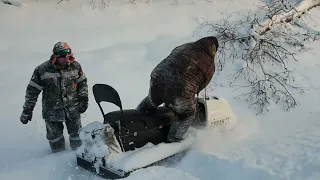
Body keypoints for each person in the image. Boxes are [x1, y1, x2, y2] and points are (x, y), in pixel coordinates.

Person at [136, 36, 219, 143]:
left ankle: (135, 119)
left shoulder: (185, 46)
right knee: (188, 114)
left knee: (151, 101)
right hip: (180, 90)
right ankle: (174, 138)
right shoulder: (210, 64)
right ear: (214, 49)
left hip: (157, 78)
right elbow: (202, 85)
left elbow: (171, 59)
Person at [20, 42, 89, 153]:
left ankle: (78, 159)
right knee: (55, 139)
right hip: (52, 112)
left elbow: (82, 83)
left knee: (77, 138)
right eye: (63, 56)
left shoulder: (75, 66)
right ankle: (57, 160)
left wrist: (84, 99)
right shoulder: (42, 70)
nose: (66, 59)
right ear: (56, 56)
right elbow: (32, 91)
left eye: (68, 55)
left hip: (72, 110)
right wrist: (27, 109)